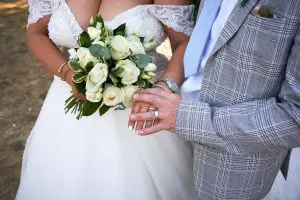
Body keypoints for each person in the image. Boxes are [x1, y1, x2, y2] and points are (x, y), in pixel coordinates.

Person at [16, 0, 195, 199]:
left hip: (142, 108)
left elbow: (185, 42)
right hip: (67, 110)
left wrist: (162, 88)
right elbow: (36, 33)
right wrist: (68, 74)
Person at [129, 0, 300, 199]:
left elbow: (295, 116)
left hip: (233, 163)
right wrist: (166, 86)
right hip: (171, 133)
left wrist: (185, 118)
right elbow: (204, 42)